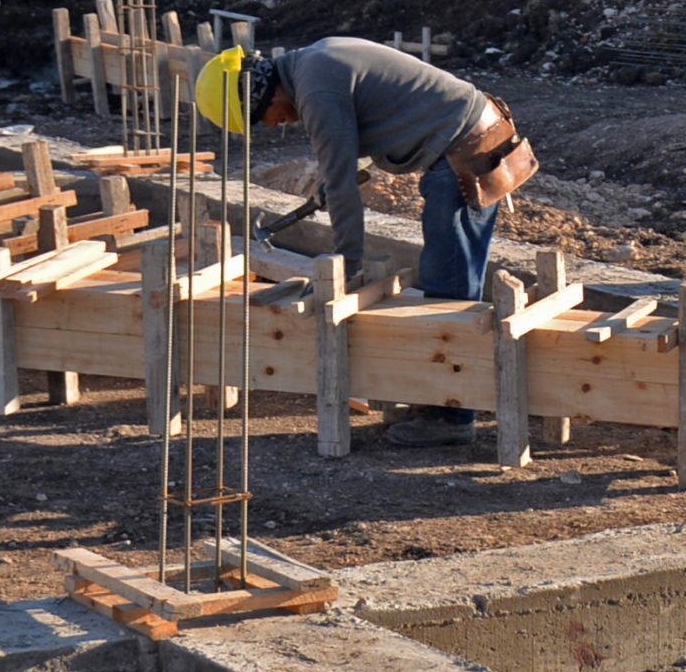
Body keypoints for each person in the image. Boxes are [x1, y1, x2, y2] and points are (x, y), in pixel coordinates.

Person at [196, 37, 538, 447]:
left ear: (262, 93)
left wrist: (346, 265)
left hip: (466, 148)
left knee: (448, 286)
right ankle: (441, 400)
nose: (273, 125)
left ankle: (452, 417)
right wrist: (331, 183)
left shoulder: (315, 89)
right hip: (473, 136)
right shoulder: (312, 62)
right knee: (450, 280)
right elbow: (350, 146)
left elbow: (343, 186)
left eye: (263, 117)